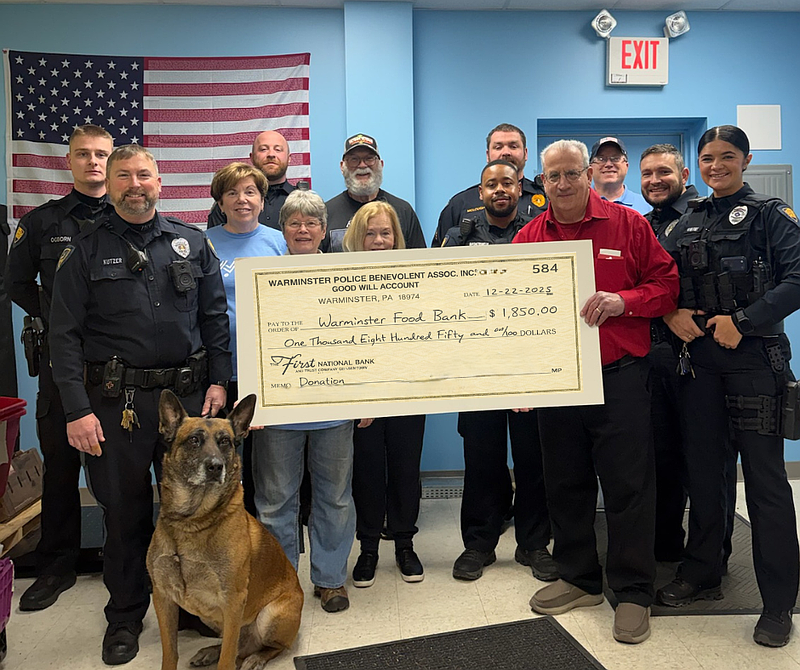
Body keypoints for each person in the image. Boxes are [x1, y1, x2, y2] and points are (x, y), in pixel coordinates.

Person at [48, 144, 231, 665]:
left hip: (190, 404)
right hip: (114, 407)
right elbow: (64, 338)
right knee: (125, 514)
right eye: (123, 174)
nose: (135, 184)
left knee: (195, 510)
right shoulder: (83, 248)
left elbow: (215, 319)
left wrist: (220, 381)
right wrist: (77, 410)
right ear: (108, 180)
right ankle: (126, 615)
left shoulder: (191, 243)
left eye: (143, 174)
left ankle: (192, 606)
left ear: (160, 180)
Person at [516, 139, 678, 644]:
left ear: (588, 173)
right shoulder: (527, 237)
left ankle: (632, 592)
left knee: (629, 486)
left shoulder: (629, 225)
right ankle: (578, 576)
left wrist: (624, 301)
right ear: (541, 181)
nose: (562, 184)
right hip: (559, 380)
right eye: (552, 177)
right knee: (564, 481)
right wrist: (517, 375)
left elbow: (666, 286)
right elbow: (513, 315)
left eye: (571, 174)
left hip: (621, 375)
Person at [656, 125, 800, 648]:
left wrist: (743, 319)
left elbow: (798, 275)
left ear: (746, 159)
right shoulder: (687, 220)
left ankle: (779, 603)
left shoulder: (769, 214)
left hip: (755, 361)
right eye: (708, 157)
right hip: (699, 364)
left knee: (764, 483)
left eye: (727, 157)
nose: (716, 166)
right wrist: (671, 310)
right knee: (704, 473)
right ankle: (702, 572)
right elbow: (659, 278)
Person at [5, 124, 114, 612]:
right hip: (58, 363)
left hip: (116, 364)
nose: (93, 163)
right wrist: (59, 319)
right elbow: (16, 284)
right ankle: (57, 566)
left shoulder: (129, 216)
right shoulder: (43, 221)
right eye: (83, 155)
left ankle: (125, 560)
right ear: (68, 162)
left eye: (101, 155)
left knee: (119, 469)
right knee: (61, 464)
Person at [251, 189, 365, 614]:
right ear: (283, 231)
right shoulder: (262, 277)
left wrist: (365, 398)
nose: (302, 229)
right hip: (279, 411)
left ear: (324, 231)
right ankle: (280, 582)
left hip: (334, 409)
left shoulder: (343, 275)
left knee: (334, 498)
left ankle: (331, 580)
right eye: (294, 223)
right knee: (275, 500)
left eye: (311, 223)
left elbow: (362, 338)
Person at [442, 161, 556, 583]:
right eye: (491, 184)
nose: (500, 190)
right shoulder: (457, 239)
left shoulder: (539, 233)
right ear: (481, 192)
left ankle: (534, 544)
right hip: (477, 372)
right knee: (481, 460)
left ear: (519, 188)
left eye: (507, 183)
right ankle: (478, 544)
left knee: (533, 460)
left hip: (530, 371)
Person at [340, 201, 427, 587]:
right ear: (357, 238)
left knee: (407, 467)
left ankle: (405, 543)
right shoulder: (338, 278)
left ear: (397, 238)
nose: (379, 240)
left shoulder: (414, 277)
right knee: (367, 471)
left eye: (386, 233)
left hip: (408, 389)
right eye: (370, 233)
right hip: (362, 394)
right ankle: (369, 546)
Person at [205, 162, 287, 516]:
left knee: (267, 469)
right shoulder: (203, 242)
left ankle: (261, 541)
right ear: (220, 202)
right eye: (232, 193)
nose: (242, 200)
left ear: (262, 200)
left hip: (270, 371)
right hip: (222, 371)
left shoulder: (279, 242)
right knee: (218, 464)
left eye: (250, 192)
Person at [639, 143, 698, 563]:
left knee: (701, 463)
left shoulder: (701, 217)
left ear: (684, 174)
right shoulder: (643, 224)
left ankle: (708, 559)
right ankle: (666, 547)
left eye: (663, 172)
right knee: (660, 457)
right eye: (647, 174)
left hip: (700, 358)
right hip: (654, 356)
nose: (655, 180)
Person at [432, 123, 547, 247]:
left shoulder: (546, 197)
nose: (506, 152)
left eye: (513, 146)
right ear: (488, 155)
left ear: (525, 153)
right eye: (498, 147)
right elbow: (440, 256)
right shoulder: (460, 203)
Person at [323, 133, 426, 252]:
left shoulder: (403, 210)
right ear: (342, 166)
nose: (362, 165)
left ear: (381, 164)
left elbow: (419, 262)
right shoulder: (326, 213)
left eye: (369, 159)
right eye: (354, 159)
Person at [207, 130, 295, 230]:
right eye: (263, 149)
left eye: (278, 149)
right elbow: (215, 241)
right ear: (252, 158)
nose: (271, 154)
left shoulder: (302, 200)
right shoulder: (230, 202)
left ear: (289, 158)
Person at [590, 137, 649, 215]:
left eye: (616, 158)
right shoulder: (579, 205)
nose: (608, 164)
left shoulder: (647, 205)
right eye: (601, 159)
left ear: (626, 166)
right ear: (590, 169)